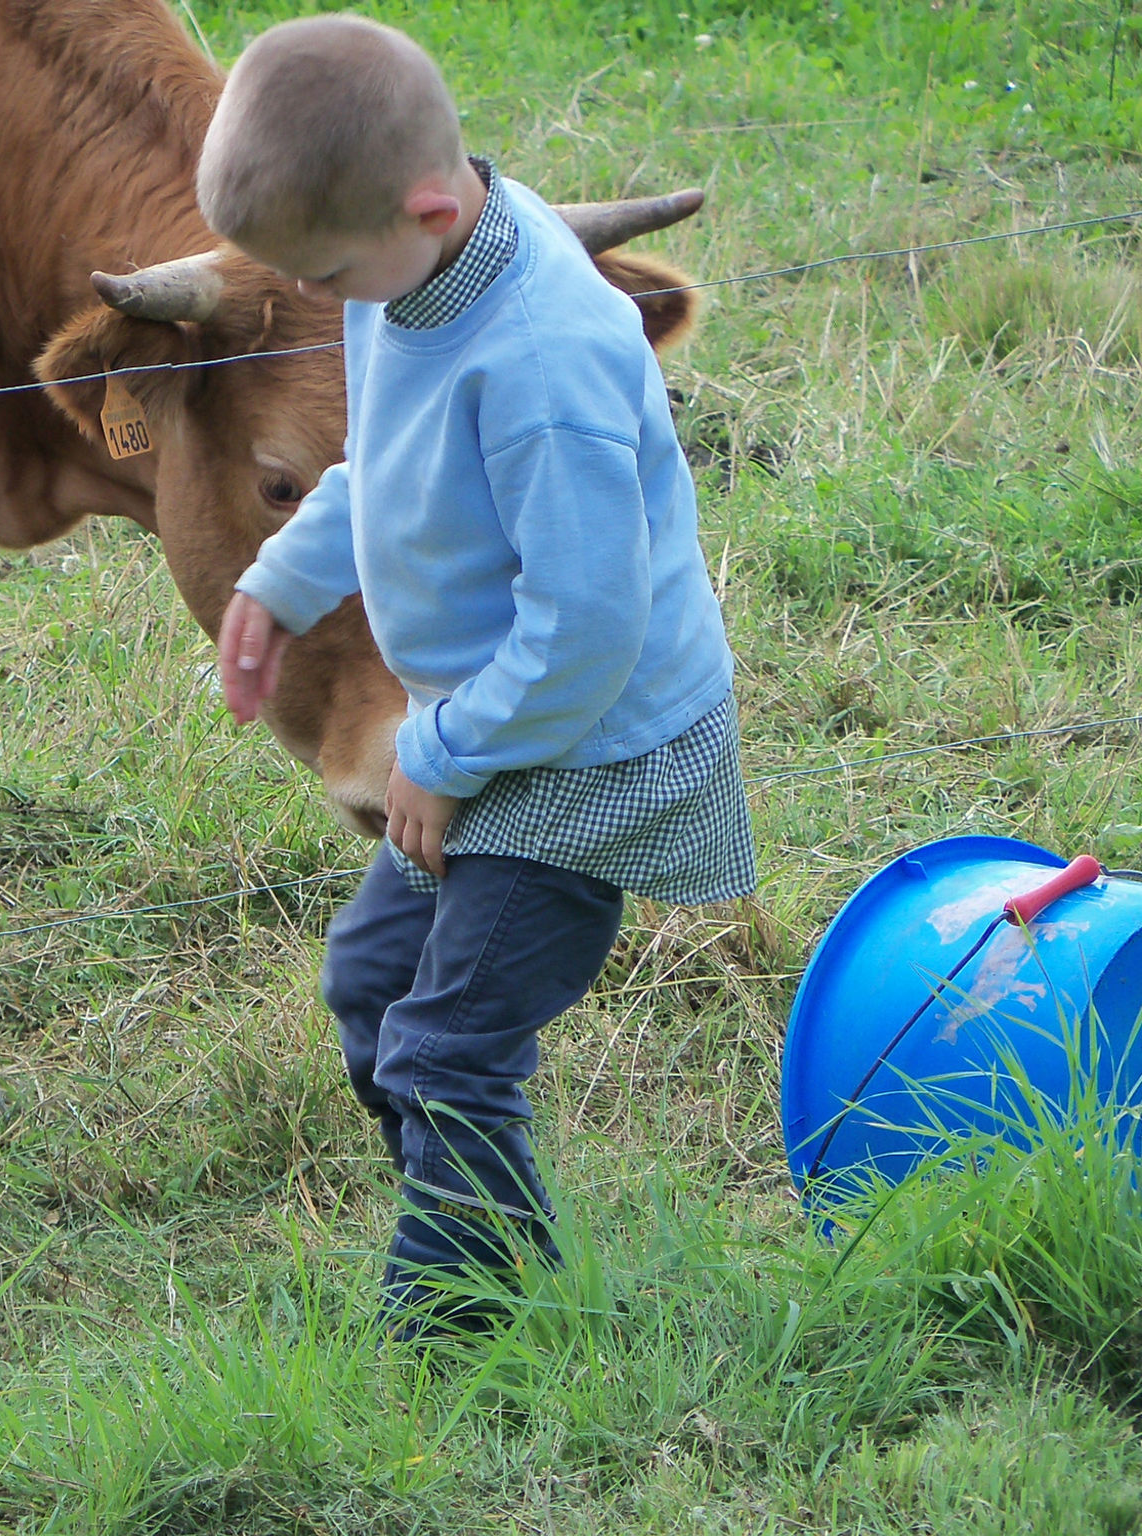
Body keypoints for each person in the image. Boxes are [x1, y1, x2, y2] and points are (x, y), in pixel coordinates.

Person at [198, 15, 756, 1331]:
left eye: (329, 270)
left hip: (588, 747)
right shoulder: (407, 279)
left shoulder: (543, 359)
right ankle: (488, 1243)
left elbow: (583, 632)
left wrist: (438, 761)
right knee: (373, 988)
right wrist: (281, 580)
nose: (327, 299)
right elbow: (385, 471)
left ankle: (461, 1329)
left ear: (430, 205)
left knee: (448, 1044)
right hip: (487, 724)